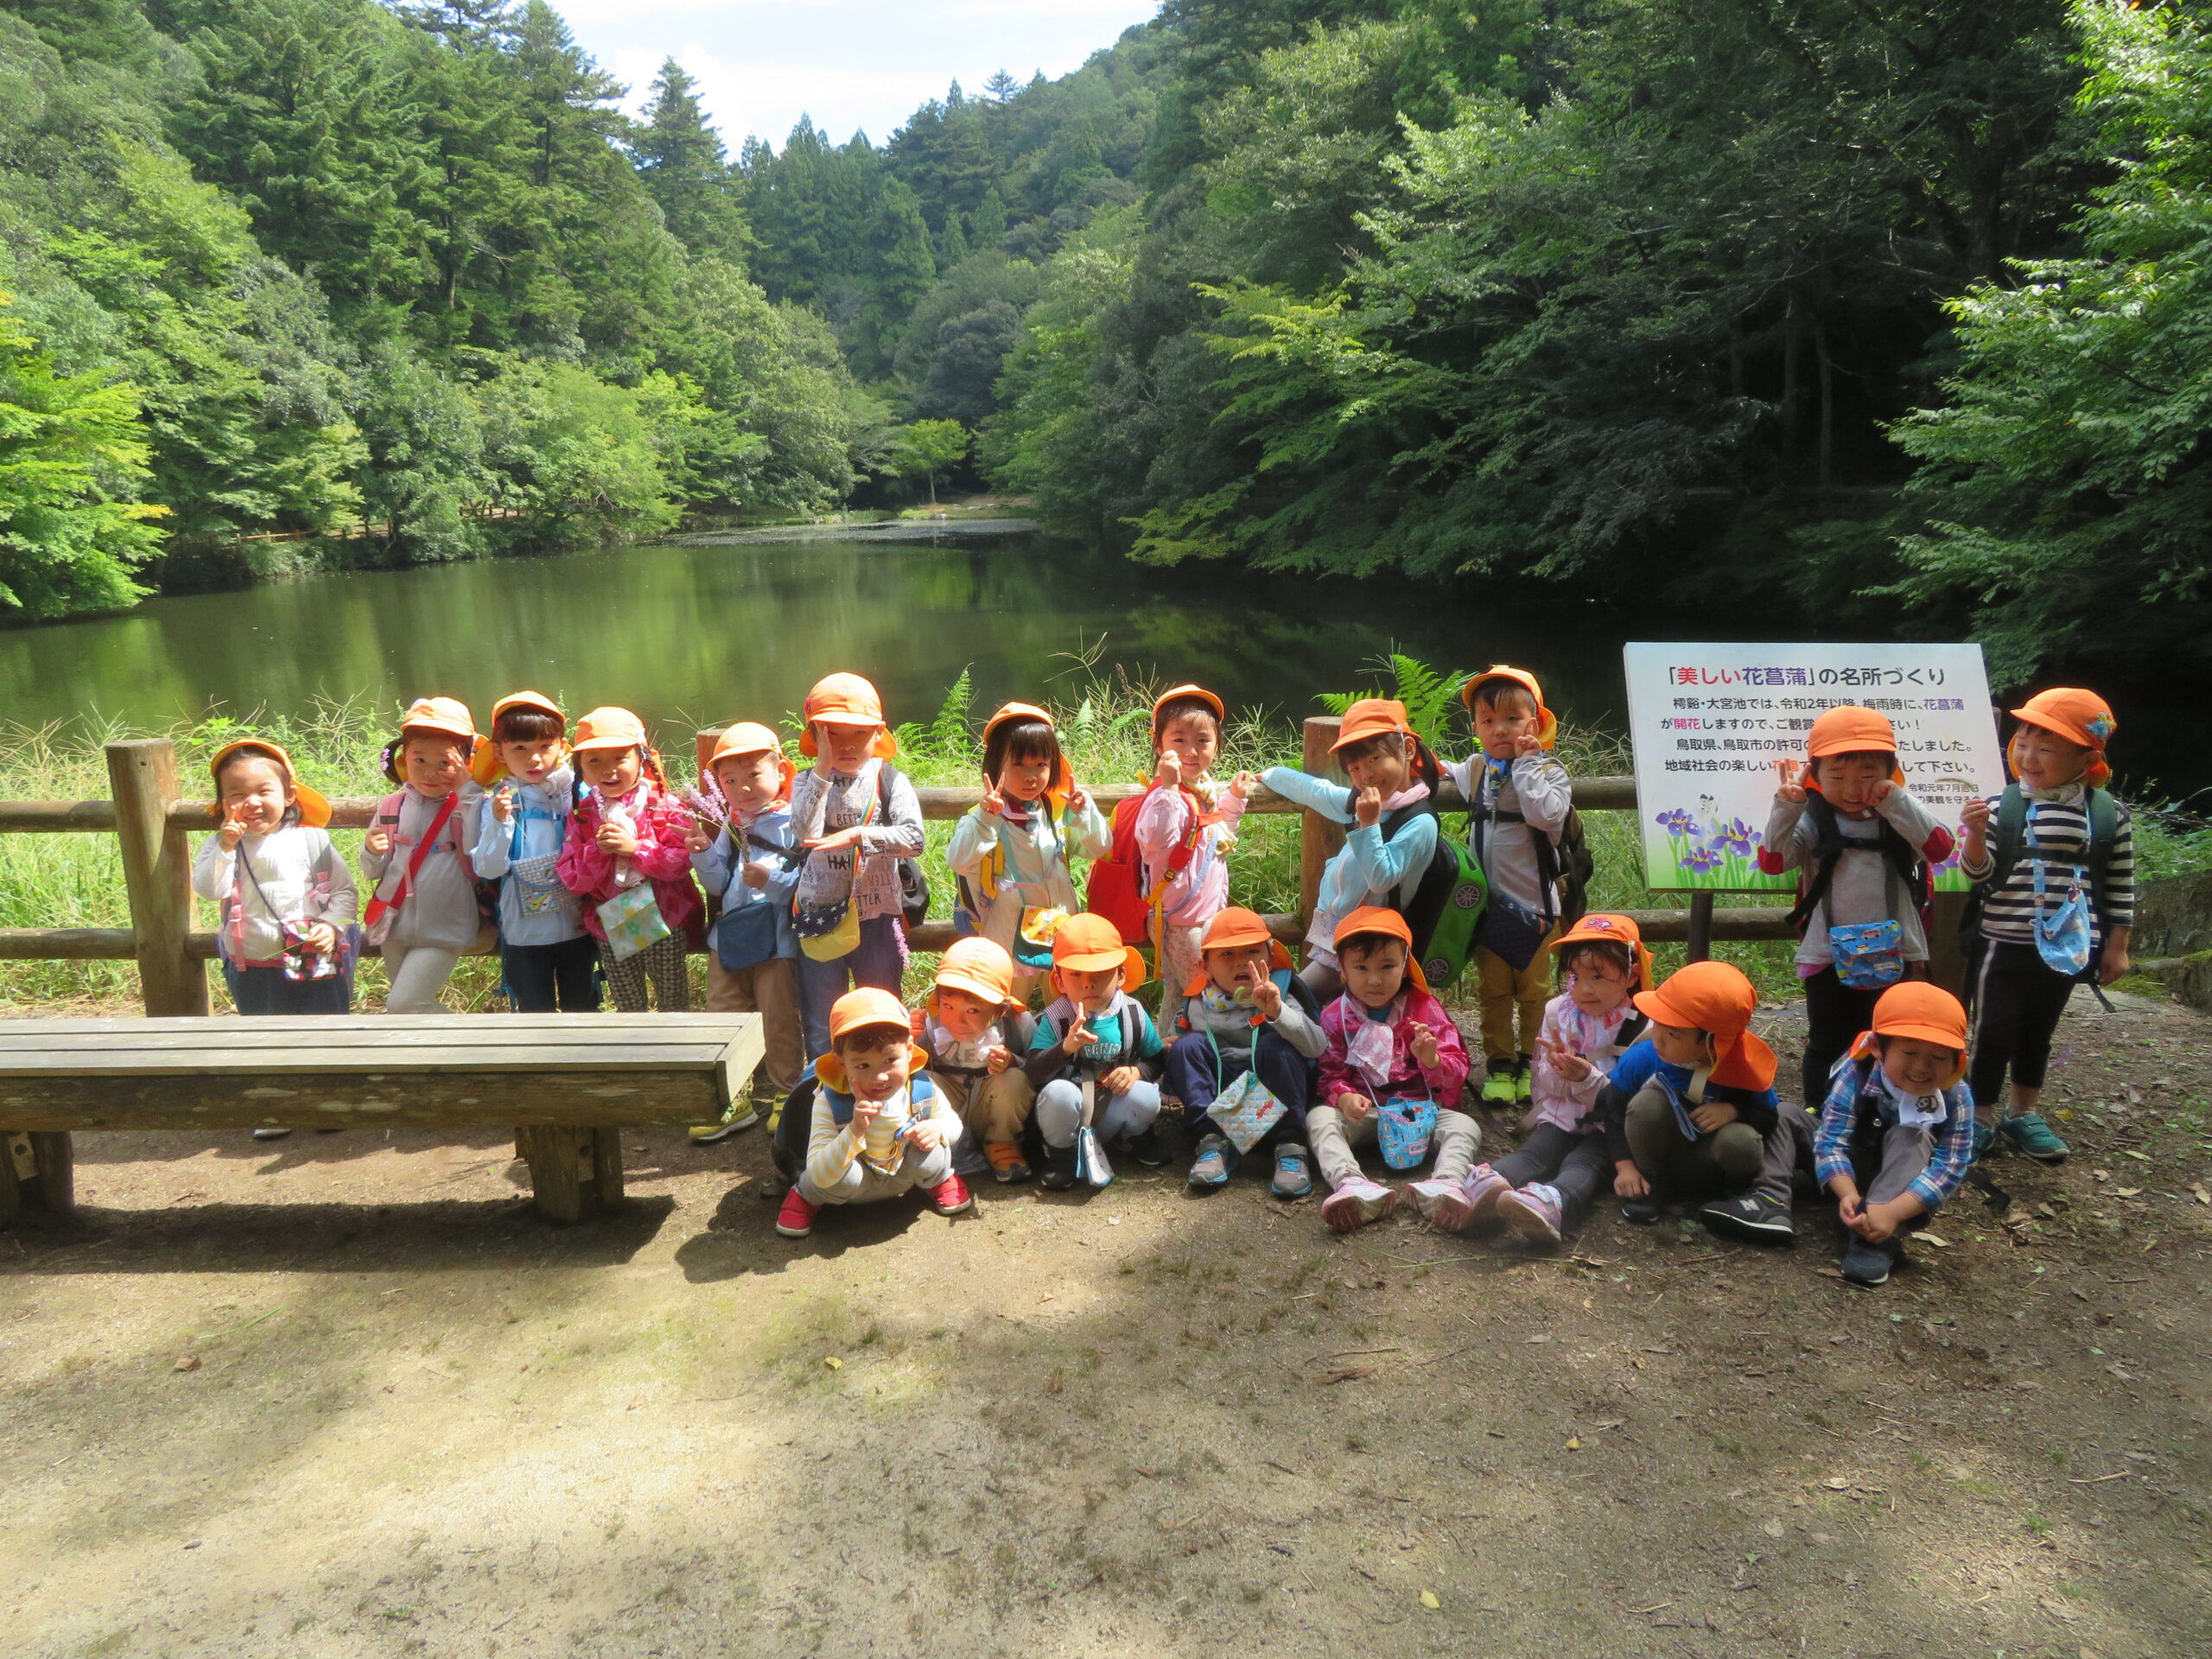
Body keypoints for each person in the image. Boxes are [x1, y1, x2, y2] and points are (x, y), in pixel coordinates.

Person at [1958, 688, 2134, 1166]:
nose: (2028, 757)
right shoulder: (2002, 807)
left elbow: (2119, 884)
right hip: (2001, 940)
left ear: (2086, 756)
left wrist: (2116, 947)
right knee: (1993, 1030)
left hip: (2065, 946)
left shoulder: (2107, 814)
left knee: (2038, 1030)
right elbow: (1977, 875)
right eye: (2022, 742)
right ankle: (1979, 1116)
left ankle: (2023, 1113)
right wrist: (1974, 835)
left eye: (2047, 748)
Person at [1757, 705, 1955, 1107]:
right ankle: (1818, 1117)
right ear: (1815, 774)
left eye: (1868, 775)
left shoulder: (1898, 816)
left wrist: (1896, 800)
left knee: (1892, 1037)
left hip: (1898, 952)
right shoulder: (1813, 819)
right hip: (1829, 954)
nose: (1853, 788)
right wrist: (1787, 805)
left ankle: (1887, 1115)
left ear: (1890, 770)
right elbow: (1774, 863)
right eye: (1838, 776)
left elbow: (1940, 848)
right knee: (1827, 1040)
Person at [195, 739, 359, 1141]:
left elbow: (344, 892)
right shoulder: (219, 848)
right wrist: (226, 846)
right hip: (253, 961)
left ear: (288, 796)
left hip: (315, 955)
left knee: (326, 1033)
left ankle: (327, 1104)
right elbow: (210, 890)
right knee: (263, 1038)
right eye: (237, 794)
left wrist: (332, 926)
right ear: (222, 804)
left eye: (263, 791)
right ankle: (274, 1108)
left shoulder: (311, 841)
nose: (251, 802)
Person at [1460, 912, 1652, 1248]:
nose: (1585, 988)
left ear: (1631, 975)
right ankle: (1485, 1188)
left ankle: (1553, 1202)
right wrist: (1559, 1071)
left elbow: (1634, 1104)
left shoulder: (1647, 1027)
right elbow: (1543, 1088)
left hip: (1612, 1129)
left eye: (1598, 975)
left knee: (1584, 1163)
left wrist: (1586, 1078)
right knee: (1537, 1152)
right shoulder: (1557, 1011)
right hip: (1561, 1115)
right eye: (1575, 976)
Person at [1443, 666, 1573, 1108]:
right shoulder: (1478, 768)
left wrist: (1528, 764)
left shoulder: (1550, 771)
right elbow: (1436, 771)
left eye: (1512, 719)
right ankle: (1500, 1064)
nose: (1500, 730)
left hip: (1536, 907)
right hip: (1489, 911)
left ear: (1533, 724)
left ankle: (1532, 1063)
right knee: (1494, 993)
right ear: (1476, 727)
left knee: (1535, 994)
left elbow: (1544, 815)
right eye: (1487, 720)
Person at [1261, 699, 1444, 1001]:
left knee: (1295, 1000)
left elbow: (1382, 879)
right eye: (1354, 767)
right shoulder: (1368, 803)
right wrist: (1271, 776)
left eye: (1374, 759)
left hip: (1370, 946)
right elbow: (1320, 792)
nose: (1366, 775)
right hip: (1340, 935)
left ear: (1408, 749)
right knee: (1329, 1011)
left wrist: (1369, 824)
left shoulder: (1419, 822)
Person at [787, 673, 925, 1065]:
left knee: (881, 1011)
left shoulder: (890, 780)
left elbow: (914, 839)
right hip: (819, 916)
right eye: (833, 734)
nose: (846, 744)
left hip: (878, 917)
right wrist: (822, 770)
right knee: (820, 1020)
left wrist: (856, 837)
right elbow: (803, 832)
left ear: (878, 733)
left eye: (859, 734)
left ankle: (888, 1090)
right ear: (815, 734)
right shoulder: (804, 781)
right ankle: (823, 1099)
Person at [1310, 908, 1476, 1233]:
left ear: (1405, 966)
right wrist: (1344, 1098)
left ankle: (1444, 1185)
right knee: (1319, 1119)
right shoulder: (1335, 1017)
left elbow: (1457, 1071)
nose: (1374, 980)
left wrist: (1432, 1060)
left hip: (1422, 1113)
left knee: (1464, 1126)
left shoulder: (1425, 1008)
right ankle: (1352, 1185)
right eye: (1361, 968)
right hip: (1368, 1114)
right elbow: (1330, 1074)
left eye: (1387, 967)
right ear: (1342, 971)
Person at [684, 721, 804, 1142]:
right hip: (731, 937)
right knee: (722, 1012)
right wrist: (702, 853)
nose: (743, 788)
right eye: (729, 780)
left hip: (776, 938)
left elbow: (808, 883)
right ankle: (731, 1098)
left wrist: (768, 881)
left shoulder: (795, 821)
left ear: (781, 771)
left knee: (779, 1017)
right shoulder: (731, 823)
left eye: (753, 775)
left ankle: (788, 1094)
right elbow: (718, 886)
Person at [1814, 982, 1979, 1288]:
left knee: (1910, 1134)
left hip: (1906, 1185)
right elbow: (1830, 1140)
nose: (1921, 1067)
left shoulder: (1958, 1095)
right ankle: (1855, 1210)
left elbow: (1951, 1164)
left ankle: (1872, 1239)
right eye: (1910, 1052)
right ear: (1878, 1047)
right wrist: (1847, 1194)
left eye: (1939, 1058)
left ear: (1957, 1059)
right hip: (1856, 1165)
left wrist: (1892, 1211)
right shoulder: (1856, 1074)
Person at [775, 988, 972, 1239]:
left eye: (890, 1060)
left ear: (909, 1050)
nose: (880, 1077)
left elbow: (953, 1122)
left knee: (933, 1150)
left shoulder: (921, 1088)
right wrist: (855, 1130)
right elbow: (820, 1172)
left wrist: (936, 1129)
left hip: (901, 1176)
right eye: (863, 1065)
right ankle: (805, 1197)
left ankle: (939, 1178)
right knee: (828, 1178)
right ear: (841, 1063)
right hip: (854, 1187)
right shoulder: (830, 1100)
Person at [1599, 960, 1780, 1228]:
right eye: (1658, 1025)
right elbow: (1611, 1108)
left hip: (1709, 1161)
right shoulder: (1646, 1056)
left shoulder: (1743, 1068)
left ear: (1713, 1043)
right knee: (1646, 1104)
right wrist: (1625, 1166)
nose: (1658, 1038)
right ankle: (1652, 1187)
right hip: (1657, 1158)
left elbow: (1769, 1118)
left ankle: (1730, 1196)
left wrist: (1734, 1111)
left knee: (1741, 1140)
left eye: (1673, 1034)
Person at [1163, 906, 1327, 1200]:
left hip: (1274, 1105)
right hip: (1222, 1110)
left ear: (1270, 957)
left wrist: (1278, 1012)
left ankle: (1291, 1147)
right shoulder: (1196, 1003)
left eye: (1252, 951)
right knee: (1185, 1046)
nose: (1241, 963)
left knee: (1276, 1047)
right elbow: (1188, 1063)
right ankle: (1211, 1142)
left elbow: (1317, 1046)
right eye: (1226, 954)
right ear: (1205, 966)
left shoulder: (1282, 993)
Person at [948, 702, 1110, 993]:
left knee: (1063, 1008)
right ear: (996, 766)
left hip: (1059, 932)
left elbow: (1098, 848)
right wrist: (986, 818)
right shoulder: (982, 817)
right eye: (1018, 764)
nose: (1030, 775)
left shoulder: (1056, 811)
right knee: (1013, 1008)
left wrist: (1085, 813)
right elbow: (959, 861)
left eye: (1041, 764)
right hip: (1007, 937)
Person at [557, 707, 702, 1013]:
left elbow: (681, 862)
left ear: (642, 759)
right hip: (611, 921)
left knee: (674, 1003)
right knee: (628, 1008)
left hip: (665, 917)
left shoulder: (663, 806)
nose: (608, 770)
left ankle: (681, 1059)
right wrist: (599, 851)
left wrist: (635, 848)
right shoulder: (583, 815)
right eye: (594, 760)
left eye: (620, 758)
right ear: (580, 767)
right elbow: (572, 878)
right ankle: (637, 1059)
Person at [468, 691, 598, 1016]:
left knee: (581, 1007)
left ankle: (587, 1066)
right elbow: (490, 867)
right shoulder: (499, 801)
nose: (534, 759)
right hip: (523, 932)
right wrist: (500, 821)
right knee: (534, 1011)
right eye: (520, 749)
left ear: (563, 746)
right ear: (500, 752)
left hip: (576, 925)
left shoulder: (579, 793)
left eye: (544, 747)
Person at [361, 696, 486, 1014]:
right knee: (407, 1014)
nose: (431, 773)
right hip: (394, 924)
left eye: (444, 763)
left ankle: (474, 1042)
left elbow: (478, 858)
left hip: (445, 926)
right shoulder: (393, 806)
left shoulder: (469, 804)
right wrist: (371, 850)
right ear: (404, 758)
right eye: (420, 760)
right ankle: (439, 1062)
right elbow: (372, 871)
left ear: (465, 761)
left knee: (403, 1006)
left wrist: (468, 790)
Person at [1137, 684, 1258, 1015]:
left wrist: (1233, 799)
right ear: (1158, 743)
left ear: (1217, 745)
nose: (1192, 751)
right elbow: (1156, 840)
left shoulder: (1202, 791)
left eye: (1203, 741)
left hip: (1200, 916)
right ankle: (1204, 1052)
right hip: (1180, 920)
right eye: (1179, 740)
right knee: (1205, 992)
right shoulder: (1165, 796)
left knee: (1180, 995)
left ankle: (1168, 1052)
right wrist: (1168, 788)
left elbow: (1216, 838)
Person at [1024, 912, 1167, 1190]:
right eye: (1076, 974)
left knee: (1146, 1095)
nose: (1088, 983)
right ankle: (1062, 1154)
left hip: (1111, 1108)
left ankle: (1136, 1136)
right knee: (1058, 1094)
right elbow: (1033, 1072)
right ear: (1060, 981)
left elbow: (1158, 1059)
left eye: (1100, 973)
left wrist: (1136, 1071)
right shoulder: (1054, 1019)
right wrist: (1066, 1047)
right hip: (1068, 1114)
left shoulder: (1133, 1014)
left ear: (1121, 974)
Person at [916, 936, 1038, 1183]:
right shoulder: (930, 1024)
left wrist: (1013, 1060)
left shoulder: (1017, 1024)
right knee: (921, 1081)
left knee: (1015, 1080)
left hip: (991, 1108)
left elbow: (1038, 1066)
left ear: (1001, 1009)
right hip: (947, 1113)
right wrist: (908, 1040)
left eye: (972, 1011)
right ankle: (943, 1148)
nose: (957, 1021)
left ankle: (1002, 1143)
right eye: (948, 1006)